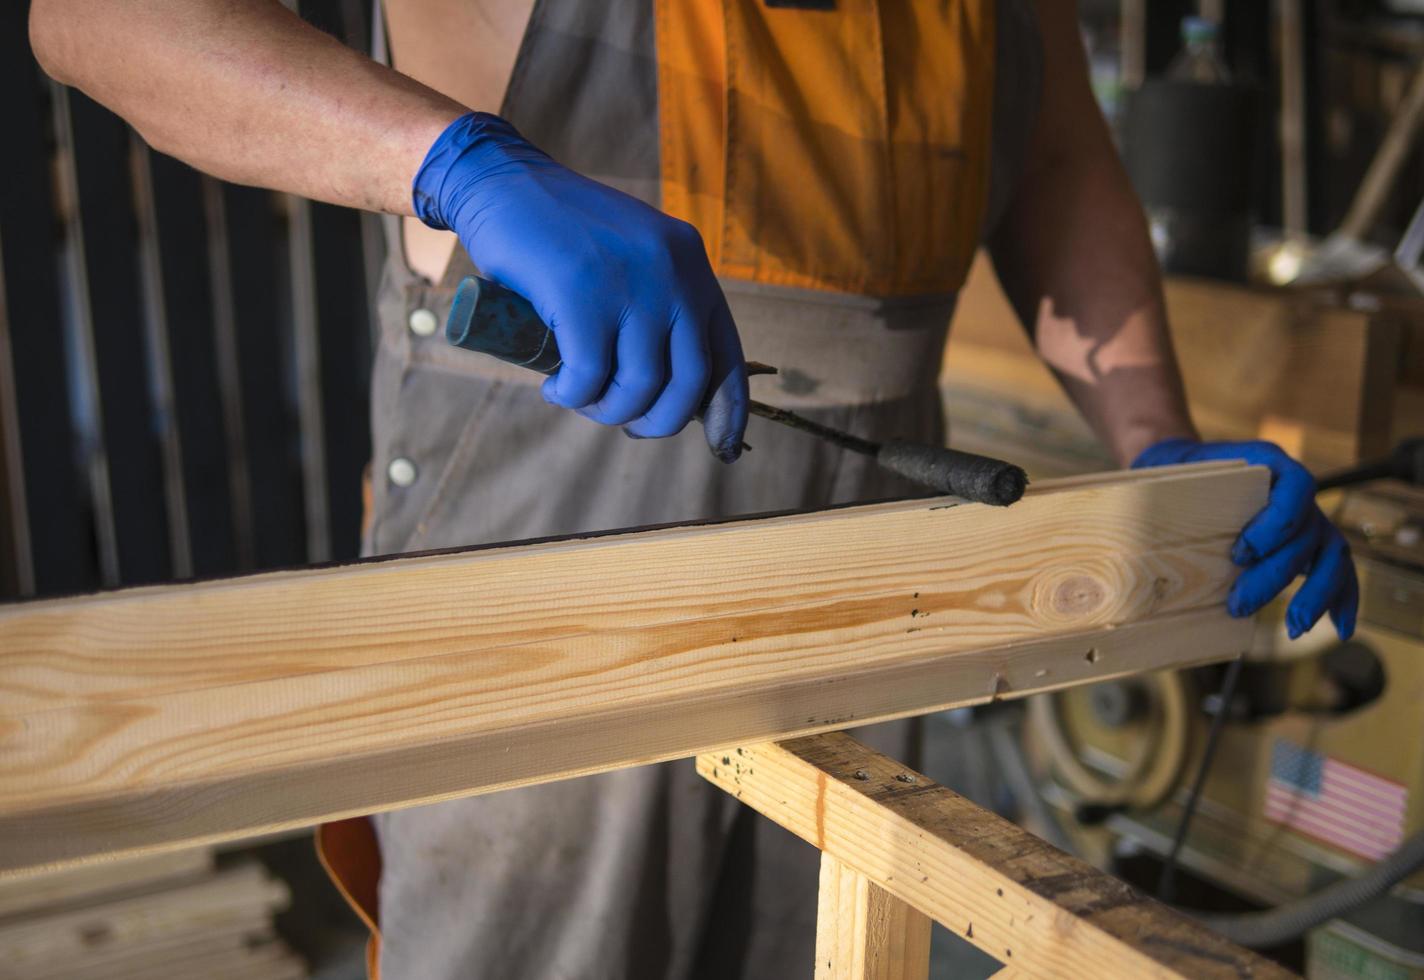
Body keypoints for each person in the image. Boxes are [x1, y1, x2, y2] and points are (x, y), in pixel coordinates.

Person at [29, 1, 1357, 977]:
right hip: (551, 531)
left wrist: (1153, 439)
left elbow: (1057, 160)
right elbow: (103, 20)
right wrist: (458, 167)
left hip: (876, 573)